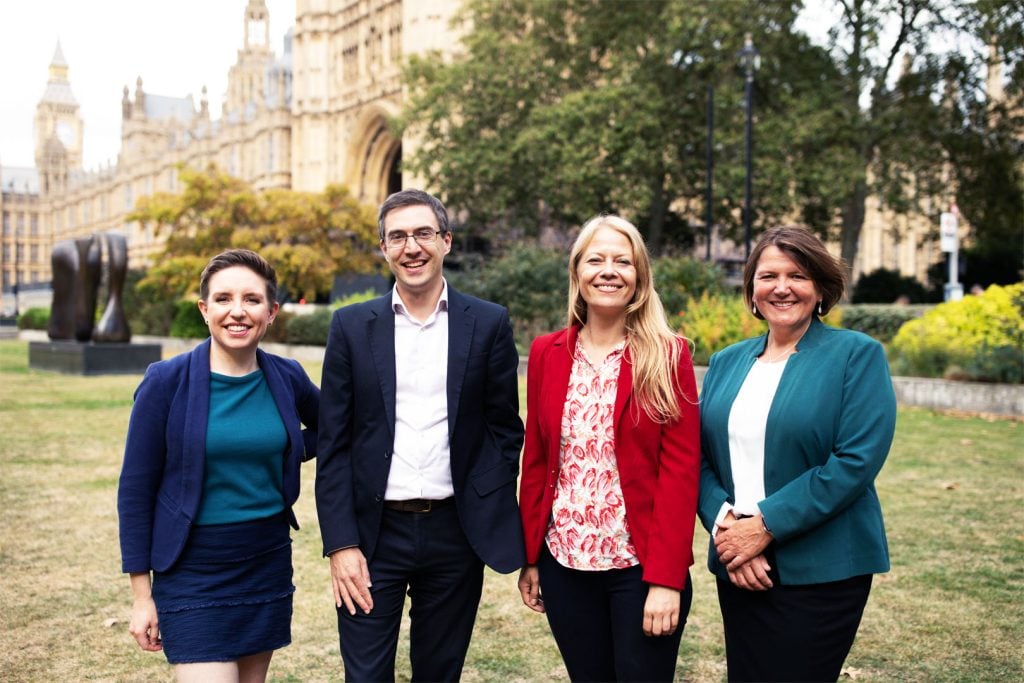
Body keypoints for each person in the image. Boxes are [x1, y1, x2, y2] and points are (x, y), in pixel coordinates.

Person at [315, 188, 525, 681]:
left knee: (439, 673)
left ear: (446, 241)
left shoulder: (489, 322)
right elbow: (334, 445)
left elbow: (504, 428)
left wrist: (482, 493)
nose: (412, 247)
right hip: (372, 536)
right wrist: (341, 544)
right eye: (398, 236)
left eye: (423, 233)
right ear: (384, 248)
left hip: (455, 533)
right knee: (365, 675)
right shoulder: (349, 326)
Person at [698, 226, 897, 683]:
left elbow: (855, 461)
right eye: (768, 275)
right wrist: (727, 525)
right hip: (739, 565)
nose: (782, 287)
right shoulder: (728, 360)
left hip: (822, 568)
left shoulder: (856, 355)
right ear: (751, 289)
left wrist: (764, 526)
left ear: (821, 289)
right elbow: (699, 456)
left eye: (798, 275)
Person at [117, 249, 320, 682]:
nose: (238, 311)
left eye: (252, 299)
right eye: (224, 299)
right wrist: (141, 596)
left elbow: (337, 428)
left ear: (271, 312)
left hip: (264, 561)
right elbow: (135, 491)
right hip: (191, 569)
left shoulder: (287, 376)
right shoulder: (165, 382)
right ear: (205, 310)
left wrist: (288, 448)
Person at [517, 215, 701, 682]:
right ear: (577, 271)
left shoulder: (667, 354)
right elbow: (537, 461)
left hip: (638, 569)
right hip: (565, 564)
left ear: (639, 275)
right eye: (595, 259)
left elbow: (681, 475)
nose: (608, 270)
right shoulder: (546, 352)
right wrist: (532, 556)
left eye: (623, 260)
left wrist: (667, 579)